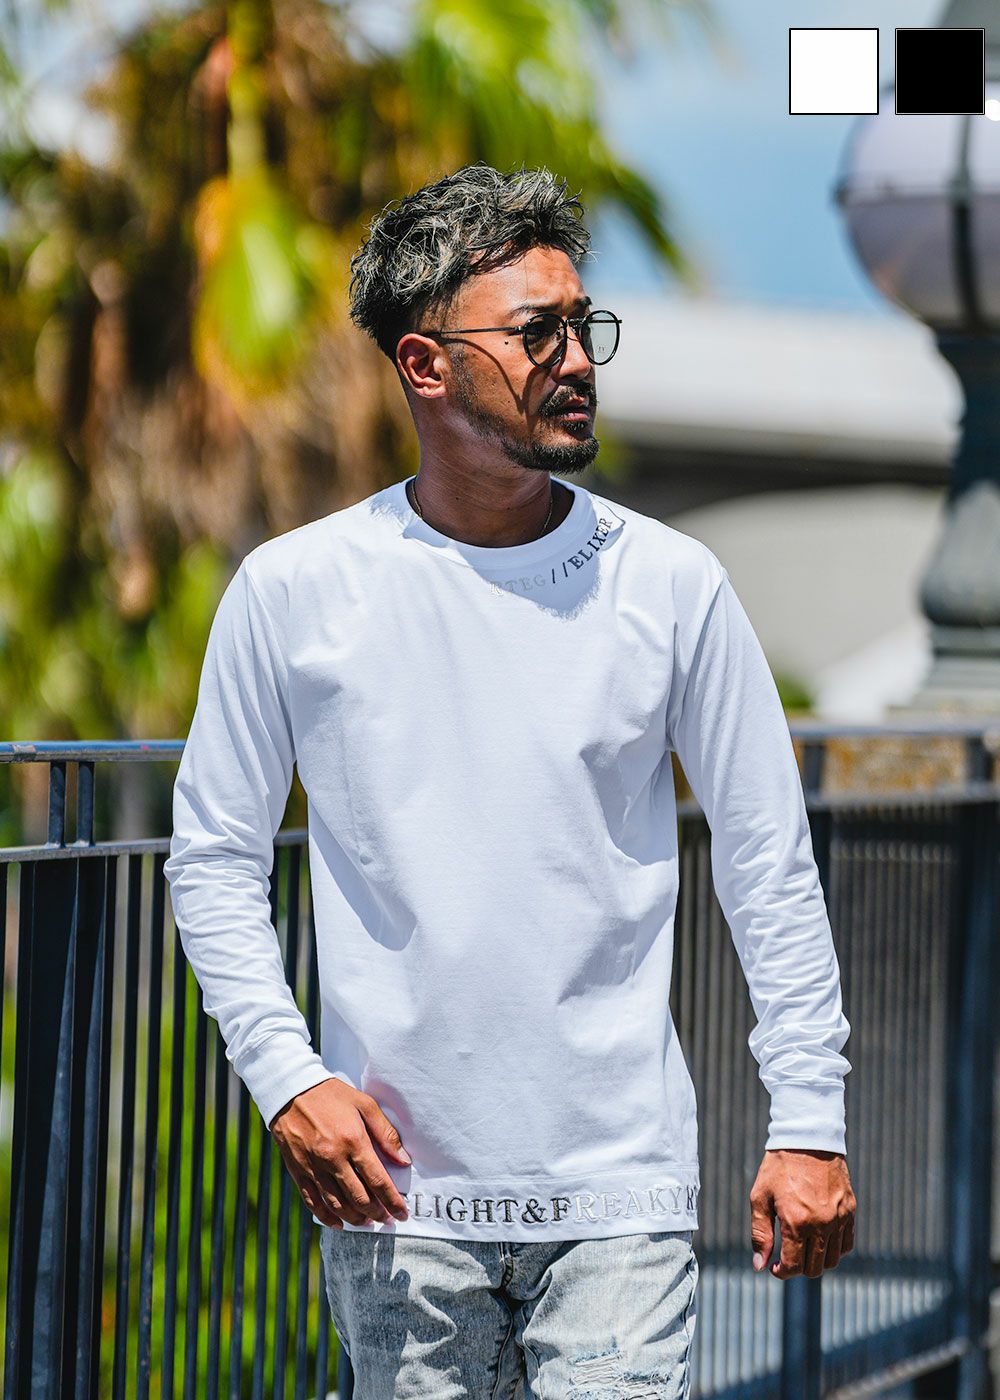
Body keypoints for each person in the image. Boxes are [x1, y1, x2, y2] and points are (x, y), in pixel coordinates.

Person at [164, 162, 857, 1399]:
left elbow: (767, 860)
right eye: (537, 333)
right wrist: (288, 1079)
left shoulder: (669, 584)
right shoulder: (295, 590)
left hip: (619, 1196)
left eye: (584, 327)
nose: (577, 359)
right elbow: (213, 859)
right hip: (395, 1195)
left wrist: (807, 1119)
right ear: (425, 365)